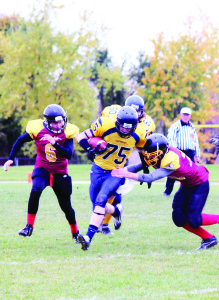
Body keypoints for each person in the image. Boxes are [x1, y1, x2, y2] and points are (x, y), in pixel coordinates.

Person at [112, 133, 219, 250]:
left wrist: (127, 175)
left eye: (152, 155)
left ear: (161, 152)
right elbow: (139, 166)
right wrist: (122, 171)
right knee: (178, 218)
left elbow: (151, 177)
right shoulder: (158, 154)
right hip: (186, 184)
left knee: (194, 219)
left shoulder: (171, 159)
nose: (149, 158)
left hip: (199, 183)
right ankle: (209, 239)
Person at [3, 104, 80, 244]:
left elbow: (68, 154)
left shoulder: (68, 132)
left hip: (60, 172)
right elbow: (20, 140)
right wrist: (10, 159)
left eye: (61, 121)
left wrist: (55, 143)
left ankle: (75, 232)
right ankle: (29, 227)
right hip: (42, 168)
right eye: (56, 122)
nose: (60, 124)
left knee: (66, 207)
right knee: (36, 189)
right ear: (48, 122)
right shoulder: (38, 129)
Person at [76, 106, 147, 251]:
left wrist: (145, 165)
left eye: (130, 128)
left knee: (101, 200)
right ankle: (116, 211)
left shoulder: (140, 133)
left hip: (115, 172)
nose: (126, 131)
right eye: (123, 127)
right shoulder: (105, 124)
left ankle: (88, 238)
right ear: (117, 122)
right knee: (97, 206)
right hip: (97, 169)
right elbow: (80, 137)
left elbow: (145, 151)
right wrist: (90, 149)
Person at [164, 107, 201, 197]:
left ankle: (190, 191)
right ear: (180, 115)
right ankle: (167, 191)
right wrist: (175, 152)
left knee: (191, 172)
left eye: (187, 115)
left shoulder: (192, 126)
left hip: (190, 152)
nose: (185, 116)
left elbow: (195, 141)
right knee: (173, 171)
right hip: (179, 151)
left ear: (190, 116)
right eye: (184, 114)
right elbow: (171, 139)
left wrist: (197, 155)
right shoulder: (175, 126)